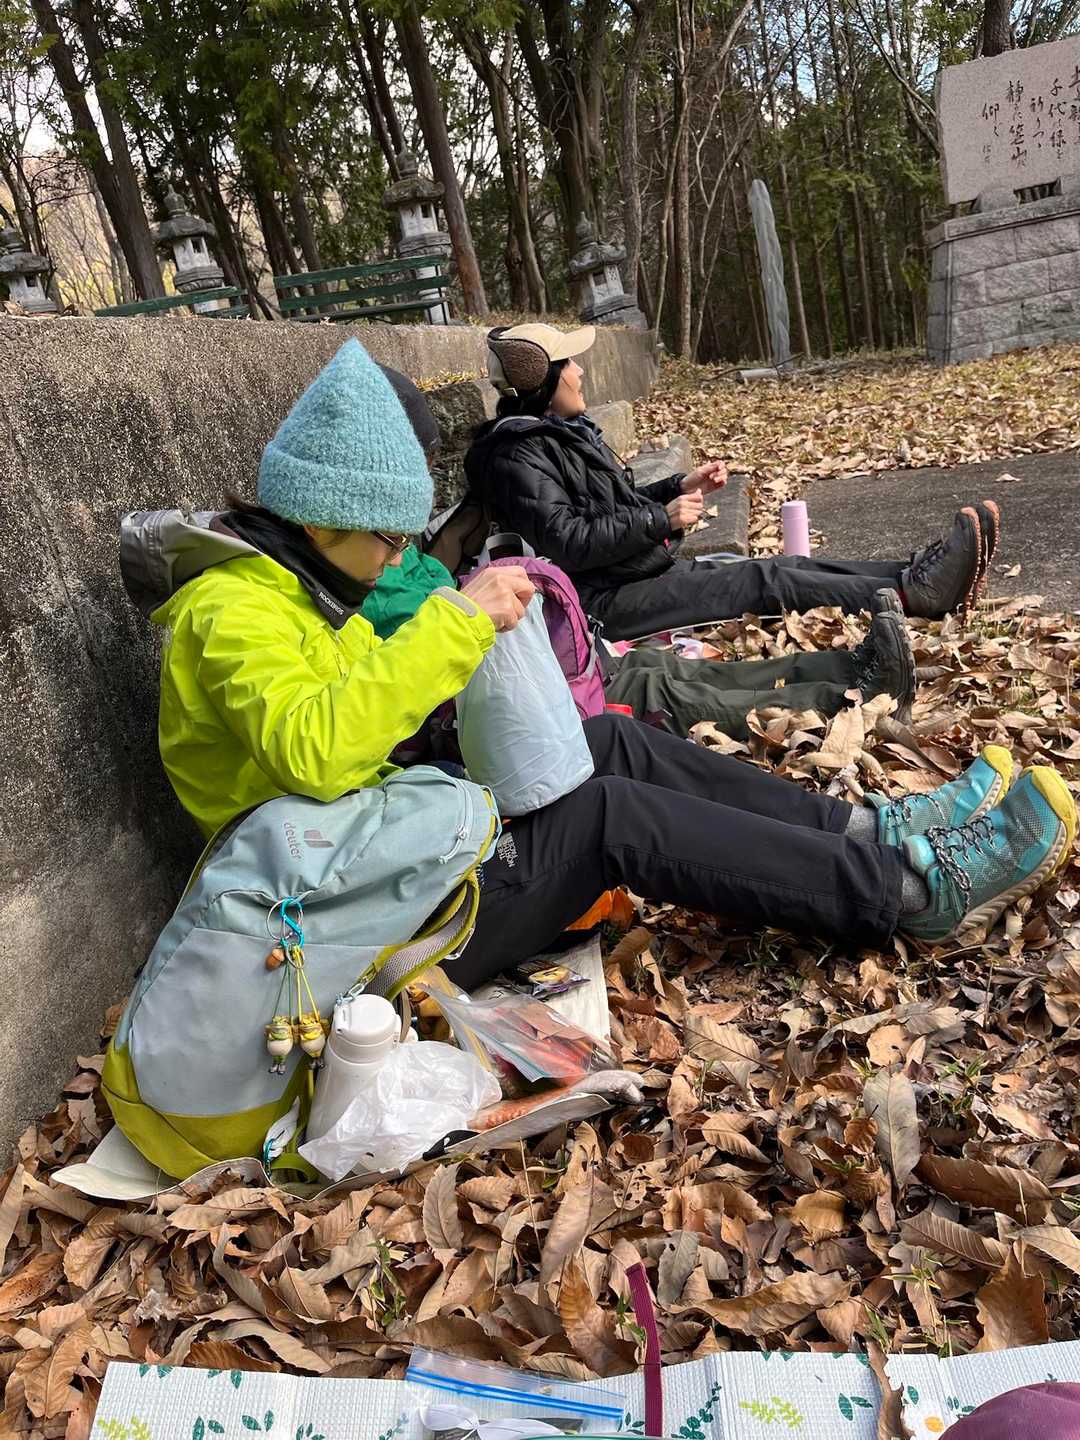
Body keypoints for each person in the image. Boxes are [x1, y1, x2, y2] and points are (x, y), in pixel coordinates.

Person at [133, 338, 1074, 997]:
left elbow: (355, 725)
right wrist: (455, 624)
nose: (394, 558)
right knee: (607, 813)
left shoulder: (295, 590)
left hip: (383, 860)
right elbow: (312, 750)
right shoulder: (229, 611)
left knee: (606, 742)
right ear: (320, 516)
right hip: (348, 936)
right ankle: (904, 894)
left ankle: (872, 830)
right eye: (386, 538)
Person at [463, 323, 1001, 642]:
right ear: (542, 378)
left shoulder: (556, 434)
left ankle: (911, 574)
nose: (580, 371)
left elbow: (607, 507)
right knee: (766, 583)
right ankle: (913, 595)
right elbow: (568, 543)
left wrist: (678, 486)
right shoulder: (514, 455)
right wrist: (660, 518)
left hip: (630, 574)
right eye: (569, 363)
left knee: (785, 565)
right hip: (601, 603)